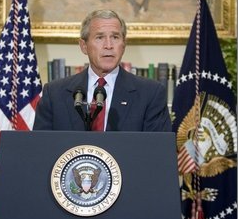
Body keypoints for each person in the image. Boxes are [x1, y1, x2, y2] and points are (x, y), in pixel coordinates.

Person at [33, 9, 171, 131]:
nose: (109, 45)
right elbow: (41, 150)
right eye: (100, 37)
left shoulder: (150, 93)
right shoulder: (54, 93)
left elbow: (156, 153)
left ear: (124, 45)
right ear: (83, 46)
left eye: (115, 37)